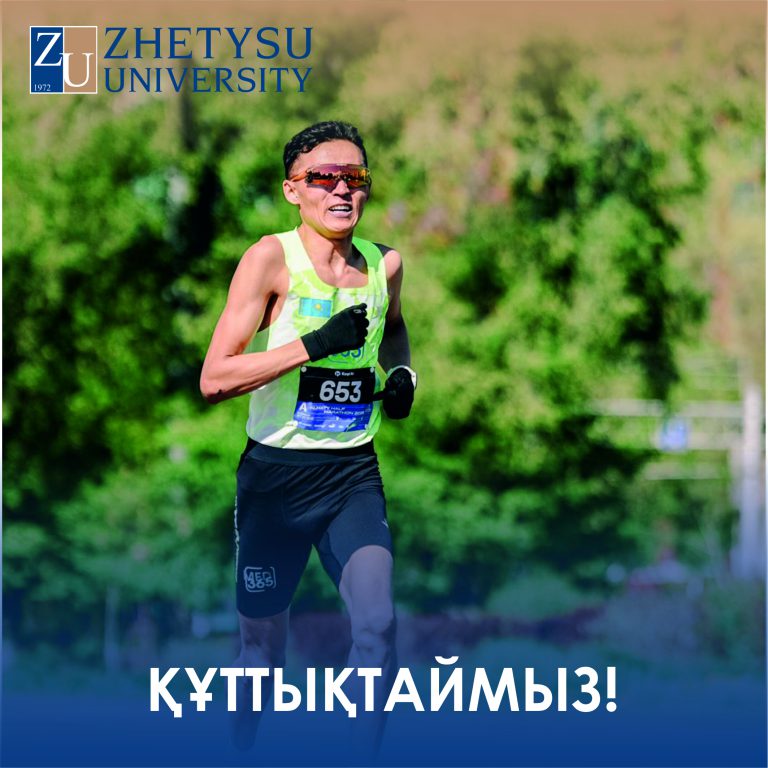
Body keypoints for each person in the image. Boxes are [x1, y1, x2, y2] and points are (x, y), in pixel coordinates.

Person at [200, 120, 416, 758]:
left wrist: (402, 374)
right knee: (263, 654)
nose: (342, 189)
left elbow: (394, 328)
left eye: (355, 177)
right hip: (274, 478)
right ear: (293, 190)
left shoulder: (385, 264)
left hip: (351, 474)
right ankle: (237, 753)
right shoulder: (270, 259)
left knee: (378, 627)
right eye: (323, 177)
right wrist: (314, 345)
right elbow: (215, 378)